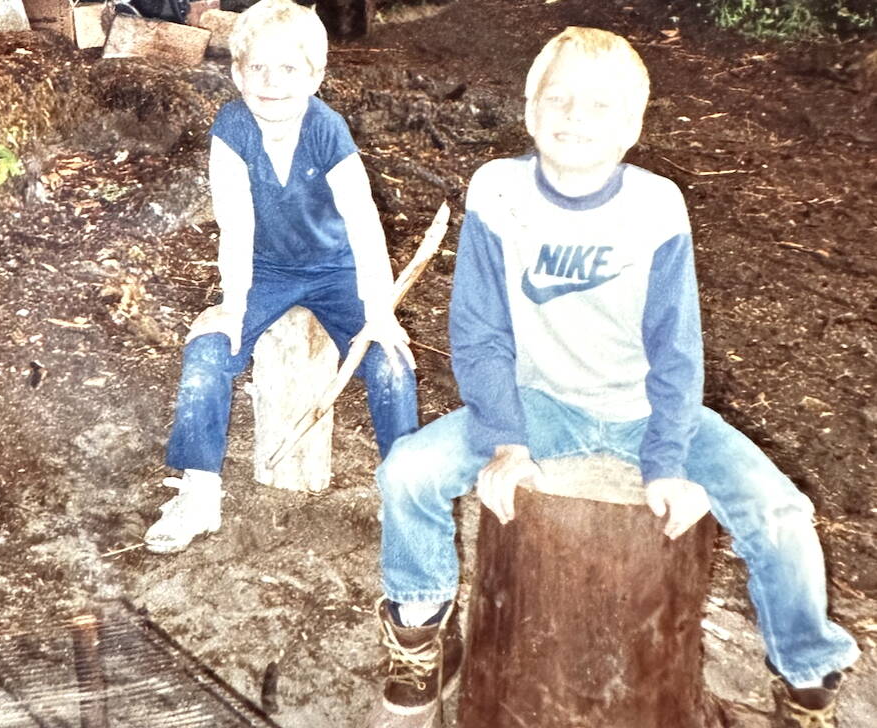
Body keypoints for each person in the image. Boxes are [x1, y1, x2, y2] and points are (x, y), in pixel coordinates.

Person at [366, 26, 859, 728]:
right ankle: (419, 629)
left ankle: (806, 680)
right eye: (557, 98)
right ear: (530, 108)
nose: (573, 117)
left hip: (649, 408)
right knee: (407, 472)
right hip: (541, 404)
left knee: (780, 514)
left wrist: (666, 460)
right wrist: (506, 441)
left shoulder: (655, 205)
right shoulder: (497, 190)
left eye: (601, 106)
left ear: (632, 127)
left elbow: (677, 348)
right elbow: (478, 333)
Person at [144, 0, 417, 554]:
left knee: (391, 362)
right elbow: (237, 223)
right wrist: (234, 304)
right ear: (237, 72)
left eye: (288, 69)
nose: (272, 83)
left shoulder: (327, 130)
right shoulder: (232, 127)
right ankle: (199, 491)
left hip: (335, 269)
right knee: (206, 353)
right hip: (266, 269)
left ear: (315, 76)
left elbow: (364, 222)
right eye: (258, 69)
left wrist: (381, 308)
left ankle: (408, 490)